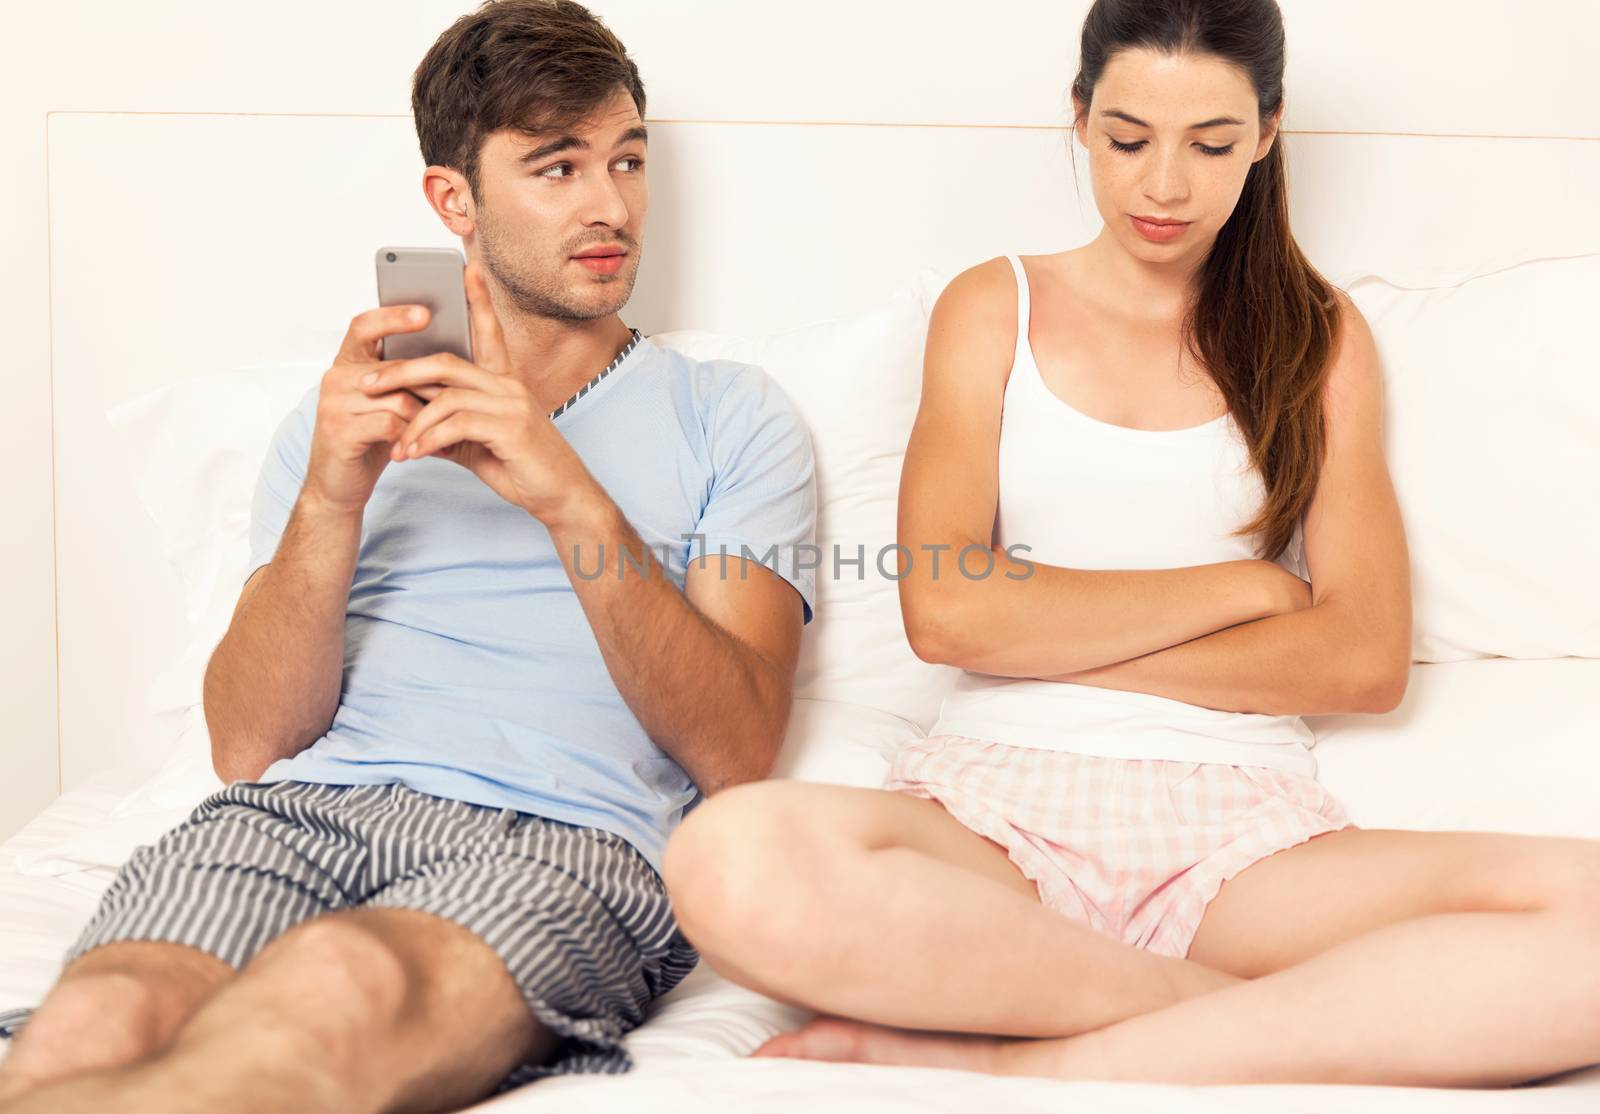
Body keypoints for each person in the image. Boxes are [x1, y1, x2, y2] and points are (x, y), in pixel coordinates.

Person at [662, 0, 1600, 1090]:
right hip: (991, 816)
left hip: (1240, 833)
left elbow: (1361, 658)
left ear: (1265, 131)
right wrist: (1241, 584)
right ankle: (1263, 1024)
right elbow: (948, 612)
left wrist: (1045, 629)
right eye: (1127, 139)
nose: (1164, 186)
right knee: (727, 858)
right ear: (1077, 119)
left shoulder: (1320, 337)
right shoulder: (991, 306)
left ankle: (1042, 1060)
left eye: (1209, 144)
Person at [0, 1, 817, 1110]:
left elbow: (736, 749)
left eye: (628, 161)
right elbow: (246, 742)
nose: (610, 205)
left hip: (564, 837)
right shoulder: (346, 416)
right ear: (452, 201)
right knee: (88, 1024)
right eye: (556, 167)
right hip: (301, 812)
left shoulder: (732, 415)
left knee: (335, 985)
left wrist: (569, 496)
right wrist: (334, 496)